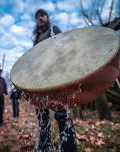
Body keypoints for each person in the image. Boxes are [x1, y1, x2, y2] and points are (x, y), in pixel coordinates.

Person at [32, 9, 78, 152]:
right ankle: (44, 146)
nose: (40, 18)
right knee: (42, 115)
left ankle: (68, 147)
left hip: (57, 76)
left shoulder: (54, 29)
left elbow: (64, 48)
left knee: (62, 113)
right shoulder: (36, 38)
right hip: (41, 79)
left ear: (47, 17)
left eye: (42, 15)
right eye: (37, 16)